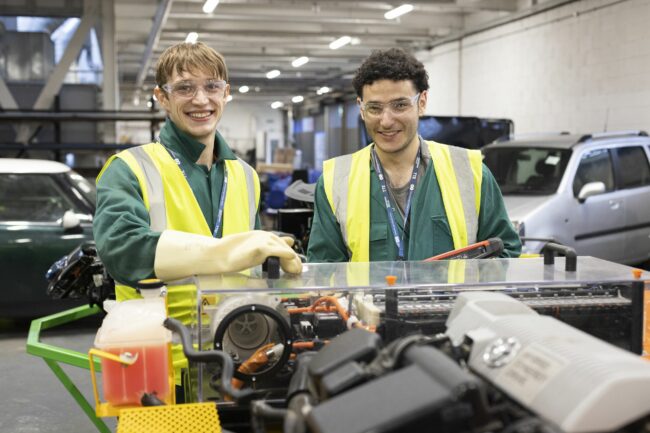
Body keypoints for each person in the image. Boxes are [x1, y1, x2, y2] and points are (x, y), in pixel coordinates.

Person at [93, 42, 301, 382]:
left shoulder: (245, 176)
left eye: (211, 87)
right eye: (185, 88)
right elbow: (123, 253)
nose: (201, 100)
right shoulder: (129, 168)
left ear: (226, 93)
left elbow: (251, 269)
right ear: (162, 98)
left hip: (240, 355)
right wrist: (232, 251)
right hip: (158, 363)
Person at [307, 48, 520, 262]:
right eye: (374, 108)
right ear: (361, 109)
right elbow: (325, 271)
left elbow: (505, 253)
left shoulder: (470, 172)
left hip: (454, 297)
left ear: (422, 102)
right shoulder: (335, 181)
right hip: (368, 297)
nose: (387, 120)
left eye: (400, 105)